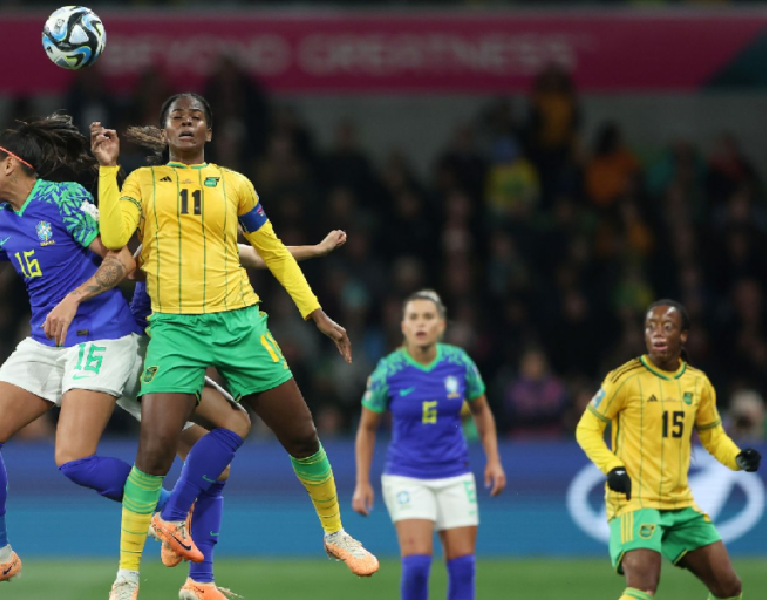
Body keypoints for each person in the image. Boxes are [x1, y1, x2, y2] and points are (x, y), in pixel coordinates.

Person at [0, 116, 254, 600]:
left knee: (72, 459)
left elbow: (121, 260)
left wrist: (74, 298)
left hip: (99, 335)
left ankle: (172, 510)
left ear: (11, 164)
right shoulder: (1, 220)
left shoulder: (62, 199)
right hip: (47, 343)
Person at [93, 93, 378, 600]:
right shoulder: (140, 181)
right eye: (176, 118)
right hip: (175, 330)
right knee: (154, 450)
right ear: (164, 133)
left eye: (196, 117)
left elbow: (272, 252)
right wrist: (108, 170)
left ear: (210, 132)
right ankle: (127, 576)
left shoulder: (235, 184)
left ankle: (336, 535)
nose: (186, 123)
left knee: (303, 434)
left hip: (240, 325)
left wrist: (316, 314)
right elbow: (114, 234)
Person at [575, 300, 762, 600]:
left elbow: (713, 437)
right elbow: (587, 429)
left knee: (729, 587)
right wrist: (612, 467)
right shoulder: (624, 378)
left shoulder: (698, 384)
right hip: (635, 501)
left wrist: (738, 458)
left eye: (667, 327)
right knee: (643, 585)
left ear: (683, 335)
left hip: (679, 504)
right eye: (651, 327)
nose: (658, 333)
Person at [353, 290, 506, 600]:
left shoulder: (459, 363)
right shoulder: (389, 370)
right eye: (414, 318)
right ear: (403, 326)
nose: (420, 324)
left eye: (427, 317)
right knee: (417, 565)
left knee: (463, 567)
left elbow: (482, 411)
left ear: (441, 324)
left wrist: (493, 460)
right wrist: (361, 482)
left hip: (455, 474)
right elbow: (367, 428)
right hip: (407, 475)